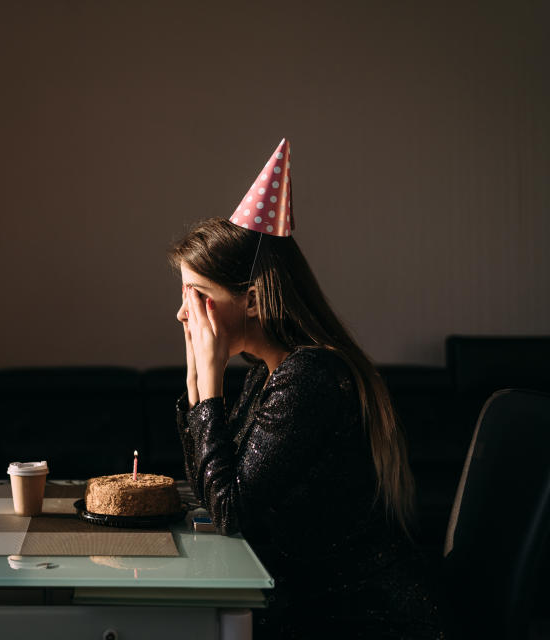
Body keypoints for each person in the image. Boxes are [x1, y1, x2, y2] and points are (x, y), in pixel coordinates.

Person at [171, 139, 449, 638]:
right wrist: (197, 389)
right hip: (311, 601)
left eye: (199, 297)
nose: (182, 315)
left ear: (251, 301)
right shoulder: (268, 372)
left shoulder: (311, 377)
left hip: (358, 617)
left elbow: (229, 510)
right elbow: (209, 493)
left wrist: (209, 388)